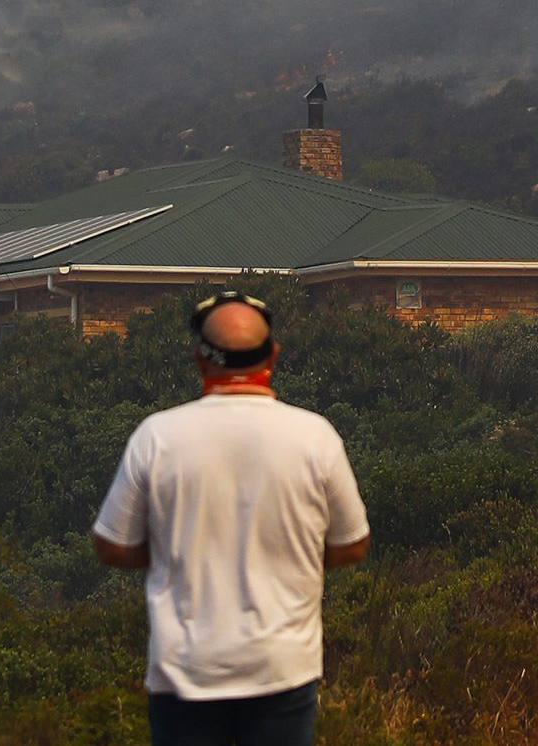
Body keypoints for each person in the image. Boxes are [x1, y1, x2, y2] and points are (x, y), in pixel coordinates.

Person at [91, 291, 372, 746]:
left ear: (201, 359)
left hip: (185, 671)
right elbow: (352, 544)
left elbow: (112, 544)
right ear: (273, 357)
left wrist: (171, 552)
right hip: (281, 668)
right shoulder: (315, 436)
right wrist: (289, 556)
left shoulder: (158, 436)